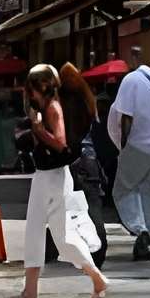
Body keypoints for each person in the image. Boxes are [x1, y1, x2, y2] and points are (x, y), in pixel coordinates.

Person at [8, 64, 108, 298]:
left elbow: (61, 143)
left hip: (51, 177)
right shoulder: (49, 106)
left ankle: (34, 290)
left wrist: (39, 131)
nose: (28, 94)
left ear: (40, 88)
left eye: (31, 88)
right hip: (51, 177)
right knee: (51, 235)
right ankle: (93, 278)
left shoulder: (52, 108)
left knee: (49, 233)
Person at [107, 50, 150, 261]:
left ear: (134, 60)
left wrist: (125, 147)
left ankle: (141, 230)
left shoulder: (131, 80)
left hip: (140, 144)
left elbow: (126, 116)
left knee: (123, 189)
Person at [59, 62, 109, 262]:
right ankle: (99, 251)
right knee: (93, 206)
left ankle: (55, 248)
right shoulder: (89, 100)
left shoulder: (60, 102)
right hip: (89, 160)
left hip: (70, 160)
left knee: (64, 207)